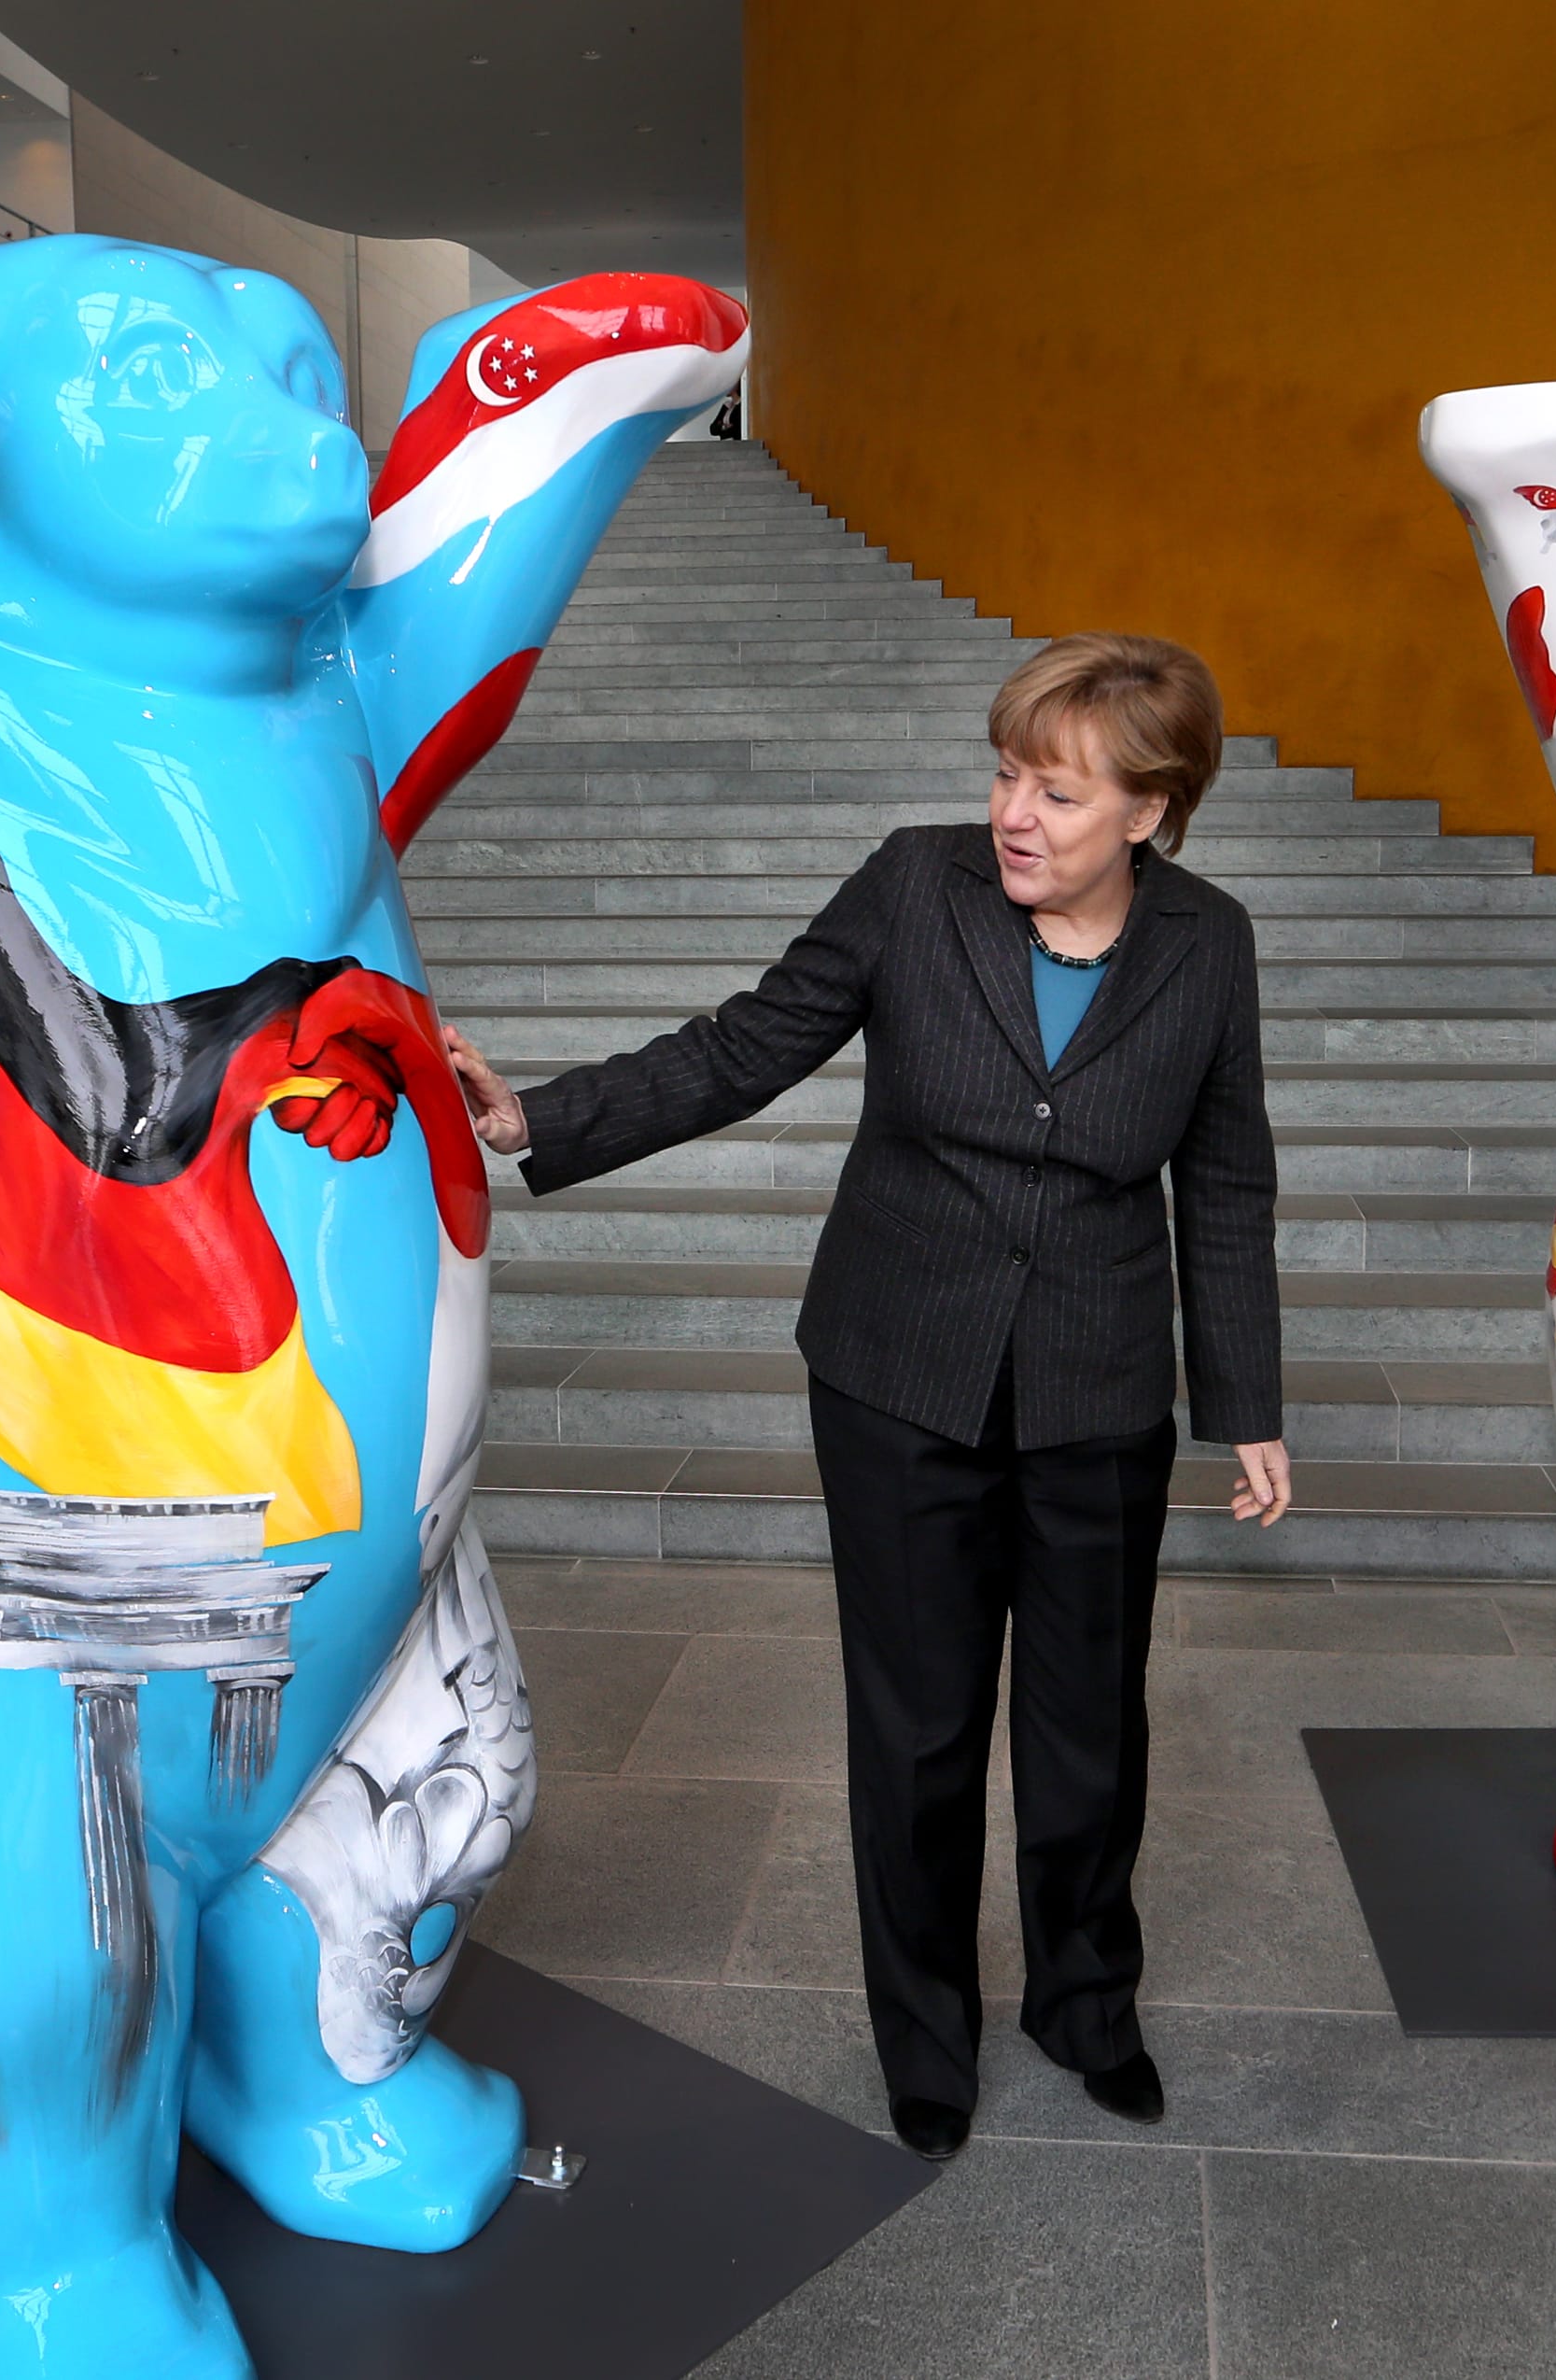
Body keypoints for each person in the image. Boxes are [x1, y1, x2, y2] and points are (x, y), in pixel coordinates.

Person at [446, 634, 1289, 2162]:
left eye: (1057, 789)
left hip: (1097, 1389)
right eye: (1005, 774)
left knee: (1090, 1726)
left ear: (1151, 815)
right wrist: (536, 1116)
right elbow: (747, 1044)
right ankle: (927, 2037)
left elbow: (1225, 1174)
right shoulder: (915, 884)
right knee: (916, 1727)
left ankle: (1086, 2005)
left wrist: (1246, 1399)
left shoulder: (1207, 943)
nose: (1013, 814)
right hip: (900, 1374)